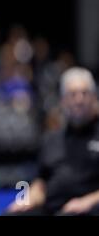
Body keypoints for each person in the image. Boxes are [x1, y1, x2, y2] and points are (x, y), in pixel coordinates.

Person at [6, 67, 99, 215]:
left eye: (85, 93)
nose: (79, 100)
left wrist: (88, 201)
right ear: (63, 101)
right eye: (72, 94)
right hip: (52, 209)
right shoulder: (51, 139)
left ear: (94, 98)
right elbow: (41, 182)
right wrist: (28, 198)